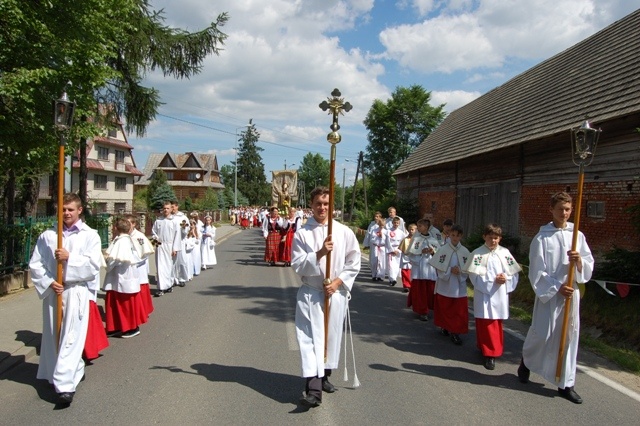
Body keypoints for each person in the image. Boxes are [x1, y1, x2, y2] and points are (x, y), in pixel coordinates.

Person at [518, 192, 594, 404]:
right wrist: (556, 287)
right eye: (560, 209)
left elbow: (588, 265)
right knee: (543, 334)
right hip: (550, 296)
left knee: (570, 335)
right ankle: (527, 362)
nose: (564, 213)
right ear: (551, 210)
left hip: (571, 294)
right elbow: (536, 272)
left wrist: (579, 262)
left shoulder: (577, 236)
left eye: (568, 209)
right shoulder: (542, 238)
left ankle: (566, 384)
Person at [29, 193, 102, 405]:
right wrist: (49, 281)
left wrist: (71, 258)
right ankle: (70, 370)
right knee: (54, 336)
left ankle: (65, 387)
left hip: (75, 290)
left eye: (71, 209)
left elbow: (93, 267)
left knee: (71, 337)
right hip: (54, 290)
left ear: (80, 210)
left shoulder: (90, 236)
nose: (66, 213)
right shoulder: (49, 236)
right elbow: (36, 264)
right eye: (63, 209)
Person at [292, 186, 361, 408]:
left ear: (331, 207)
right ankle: (313, 389)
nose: (322, 208)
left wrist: (338, 282)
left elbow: (354, 260)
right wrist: (320, 252)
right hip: (311, 294)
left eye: (326, 204)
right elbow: (297, 265)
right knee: (310, 340)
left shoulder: (343, 231)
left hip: (335, 293)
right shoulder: (302, 233)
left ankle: (325, 376)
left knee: (330, 338)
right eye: (318, 204)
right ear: (311, 206)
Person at [103, 218, 147, 339]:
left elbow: (115, 259)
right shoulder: (123, 240)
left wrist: (106, 264)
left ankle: (131, 327)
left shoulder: (123, 241)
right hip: (120, 275)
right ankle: (116, 326)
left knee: (125, 303)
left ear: (116, 228)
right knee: (115, 302)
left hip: (123, 275)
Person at [429, 224, 470, 345]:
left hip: (459, 284)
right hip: (445, 284)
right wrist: (448, 270)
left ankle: (455, 332)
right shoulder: (443, 249)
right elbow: (439, 266)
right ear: (449, 235)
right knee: (445, 307)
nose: (455, 238)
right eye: (453, 235)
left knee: (458, 309)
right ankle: (445, 326)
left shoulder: (465, 251)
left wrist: (460, 272)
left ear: (461, 236)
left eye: (458, 235)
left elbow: (467, 268)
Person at [407, 219, 439, 321]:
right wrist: (421, 252)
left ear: (426, 227)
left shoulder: (433, 240)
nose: (418, 228)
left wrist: (432, 252)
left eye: (420, 226)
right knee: (420, 291)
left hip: (429, 268)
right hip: (419, 268)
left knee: (429, 290)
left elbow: (438, 255)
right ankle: (422, 311)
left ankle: (429, 308)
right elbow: (411, 254)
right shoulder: (416, 238)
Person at [126, 214, 155, 318]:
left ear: (134, 224)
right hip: (128, 269)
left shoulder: (139, 237)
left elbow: (144, 253)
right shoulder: (124, 236)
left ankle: (142, 312)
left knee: (139, 288)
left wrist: (132, 261)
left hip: (138, 268)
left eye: (128, 223)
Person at [152, 201, 180, 297]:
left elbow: (177, 235)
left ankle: (169, 285)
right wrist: (156, 240)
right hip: (160, 246)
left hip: (170, 246)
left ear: (171, 209)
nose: (166, 210)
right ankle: (161, 288)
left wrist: (175, 248)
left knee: (169, 267)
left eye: (168, 208)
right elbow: (153, 233)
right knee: (160, 267)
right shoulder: (158, 221)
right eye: (164, 208)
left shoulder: (174, 221)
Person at [363, 211, 387, 281]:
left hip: (382, 247)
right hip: (375, 246)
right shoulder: (373, 227)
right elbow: (370, 237)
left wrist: (382, 236)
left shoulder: (385, 231)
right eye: (375, 216)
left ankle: (380, 275)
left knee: (381, 262)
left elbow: (387, 240)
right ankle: (374, 274)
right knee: (374, 261)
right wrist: (367, 244)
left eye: (377, 217)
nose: (375, 218)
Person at [171, 200, 189, 287]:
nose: (172, 208)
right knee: (172, 262)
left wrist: (183, 228)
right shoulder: (168, 217)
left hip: (180, 241)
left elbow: (186, 230)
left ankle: (182, 278)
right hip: (171, 243)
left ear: (177, 206)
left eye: (173, 206)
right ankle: (173, 279)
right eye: (171, 207)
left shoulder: (182, 217)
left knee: (181, 261)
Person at [385, 216, 406, 286]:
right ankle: (392, 279)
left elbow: (403, 242)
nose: (396, 224)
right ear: (392, 223)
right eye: (394, 223)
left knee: (397, 266)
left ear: (399, 223)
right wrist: (391, 250)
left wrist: (398, 250)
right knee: (390, 265)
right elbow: (387, 241)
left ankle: (394, 278)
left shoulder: (401, 232)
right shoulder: (388, 231)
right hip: (391, 250)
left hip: (398, 250)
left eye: (397, 223)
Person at [398, 223, 417, 293]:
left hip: (414, 258)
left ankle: (412, 285)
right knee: (405, 273)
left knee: (413, 273)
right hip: (406, 258)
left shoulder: (417, 240)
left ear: (416, 230)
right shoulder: (405, 239)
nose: (411, 231)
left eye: (412, 229)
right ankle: (406, 285)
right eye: (409, 229)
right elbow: (402, 249)